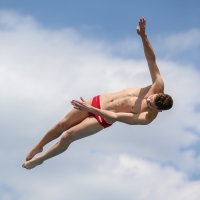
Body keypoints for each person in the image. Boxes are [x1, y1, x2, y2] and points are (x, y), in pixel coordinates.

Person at [22, 18, 173, 170]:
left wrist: (90, 109)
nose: (147, 99)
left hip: (103, 117)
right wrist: (144, 37)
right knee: (62, 124)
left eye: (149, 103)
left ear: (157, 110)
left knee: (67, 137)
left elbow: (115, 117)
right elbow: (151, 60)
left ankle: (41, 159)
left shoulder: (146, 118)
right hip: (98, 101)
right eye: (150, 97)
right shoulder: (158, 85)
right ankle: (38, 146)